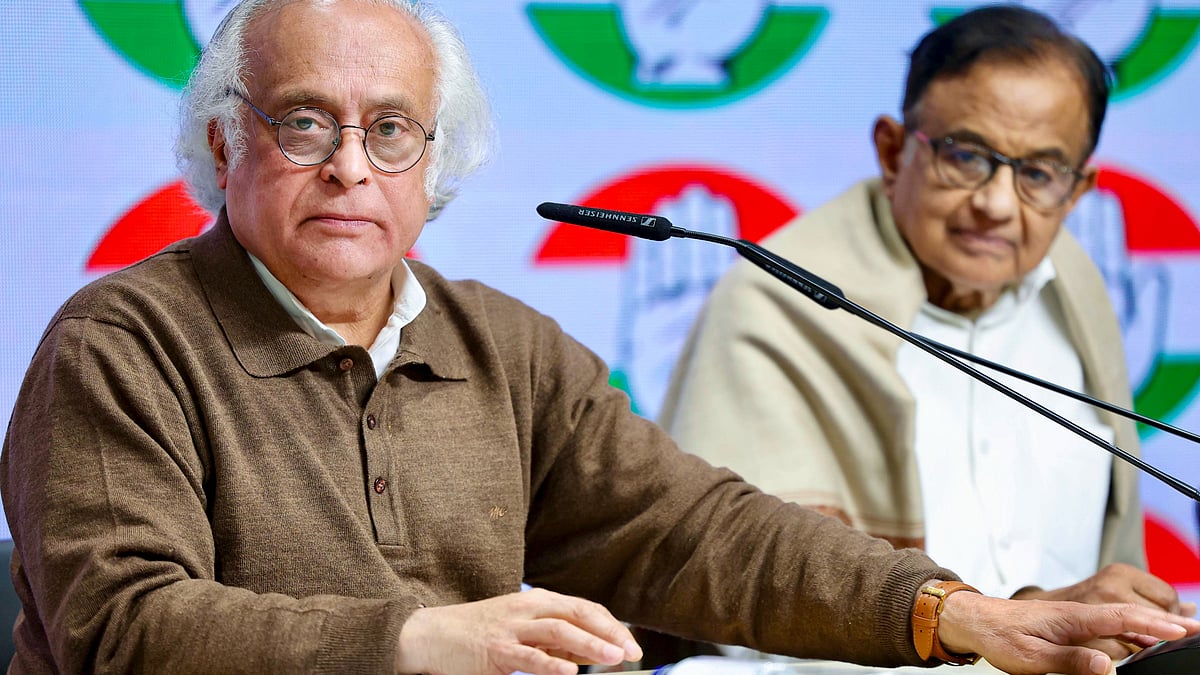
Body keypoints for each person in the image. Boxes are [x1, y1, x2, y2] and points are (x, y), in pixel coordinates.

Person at [1, 2, 1196, 674]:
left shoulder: (502, 346)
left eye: (394, 130)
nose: (352, 168)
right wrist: (413, 643)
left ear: (439, 164)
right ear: (222, 146)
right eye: (304, 124)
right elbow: (124, 629)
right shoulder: (118, 341)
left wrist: (953, 614)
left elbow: (691, 531)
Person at [655, 3, 1195, 667]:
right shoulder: (781, 305)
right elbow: (746, 605)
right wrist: (1000, 625)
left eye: (1038, 173)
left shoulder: (1075, 286)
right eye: (965, 156)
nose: (996, 203)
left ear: (1077, 190)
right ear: (892, 150)